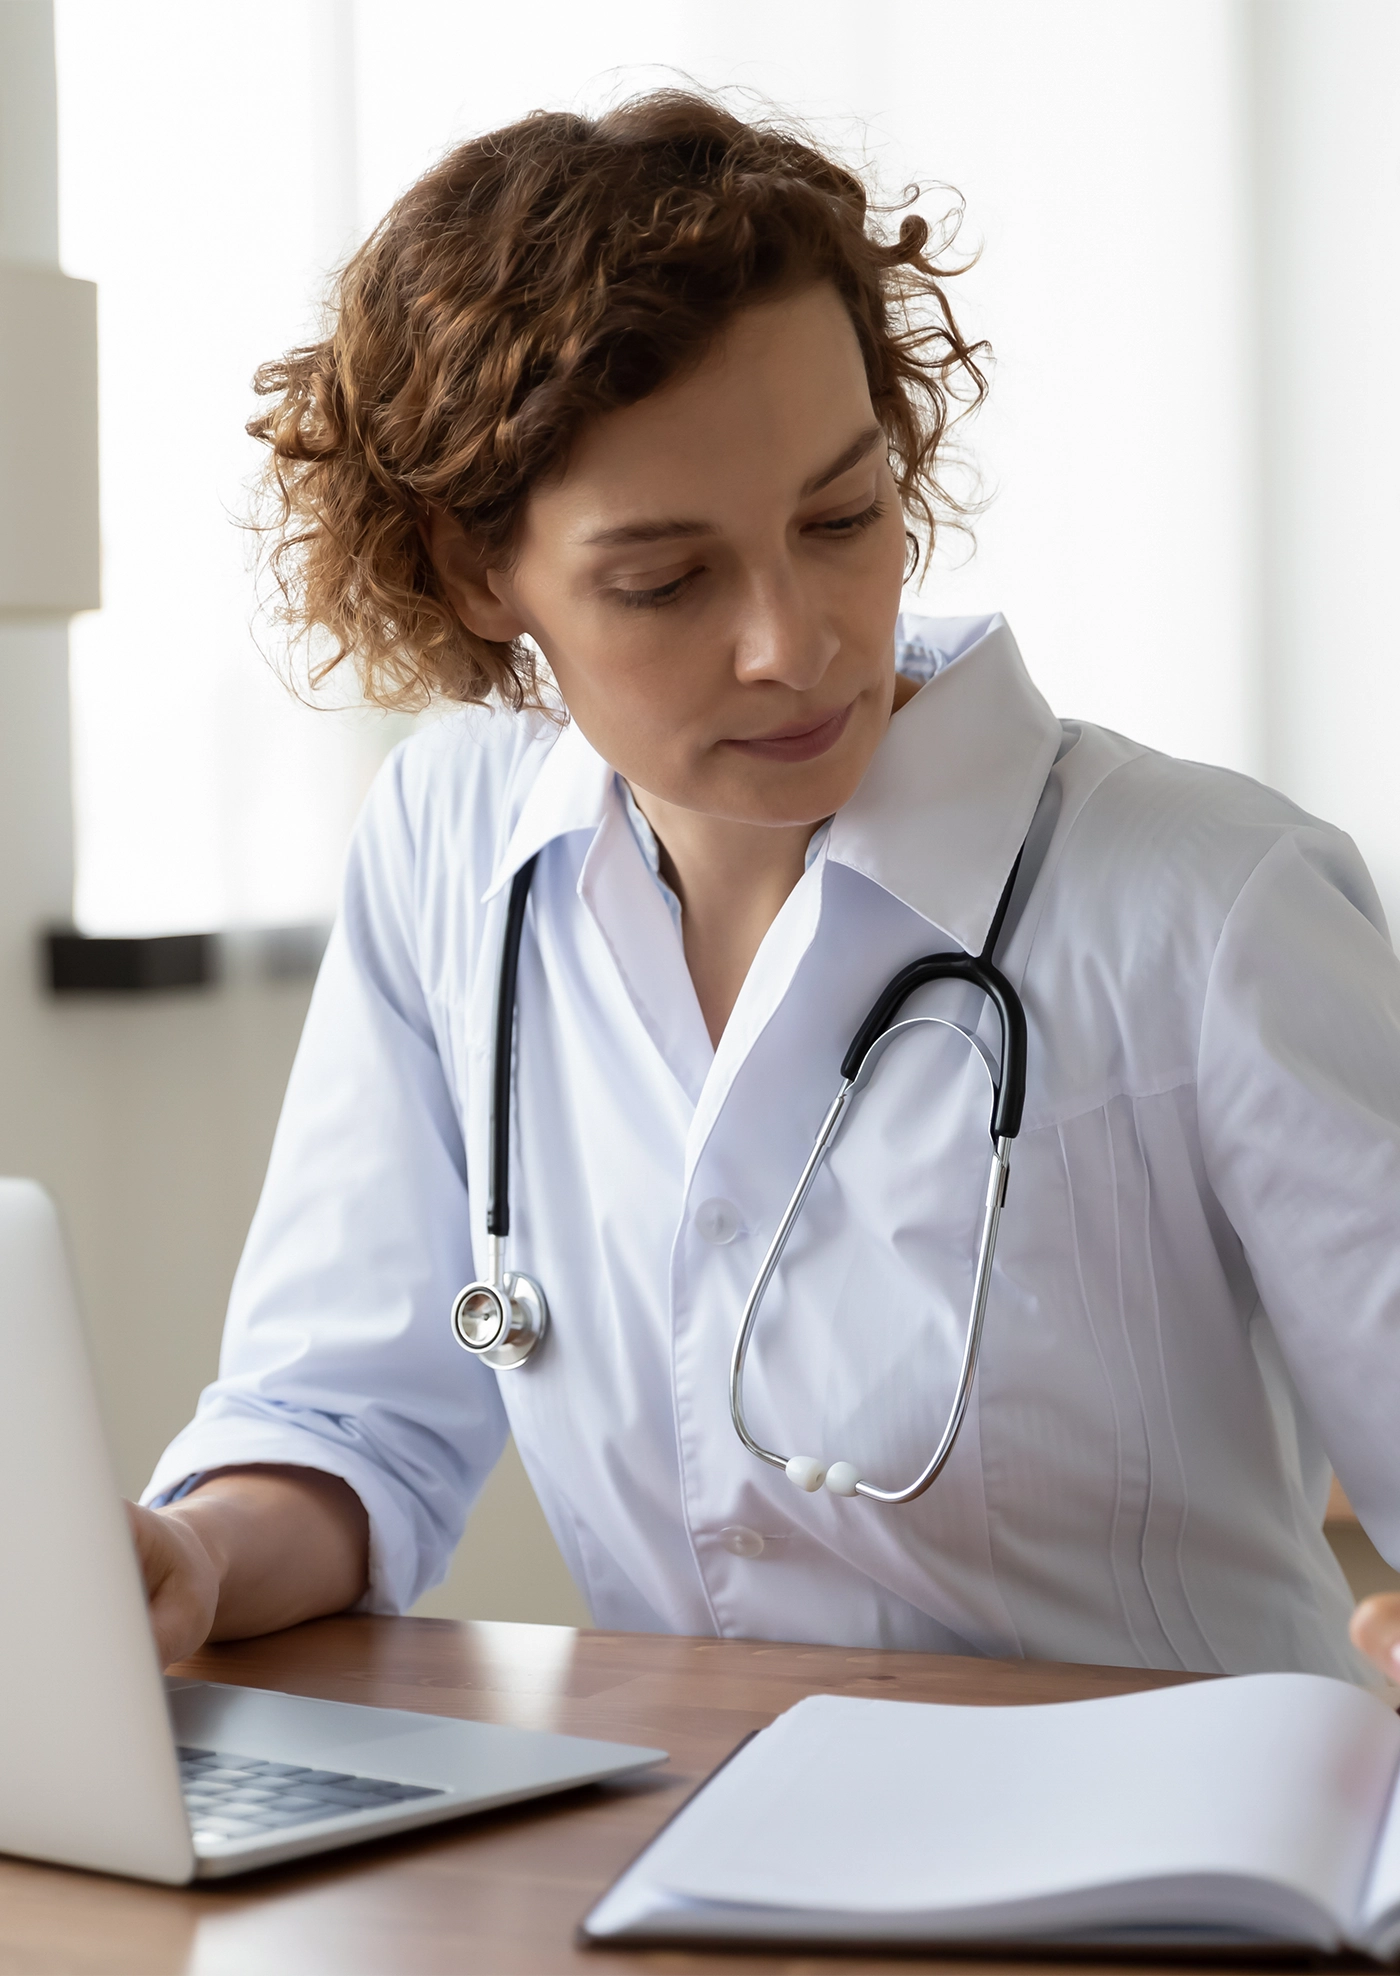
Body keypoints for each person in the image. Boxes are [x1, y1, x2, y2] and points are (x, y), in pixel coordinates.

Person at [127, 91, 1400, 1687]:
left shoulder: (1213, 908)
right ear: (474, 571)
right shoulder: (454, 845)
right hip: (678, 1861)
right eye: (665, 579)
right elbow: (342, 1418)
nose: (793, 645)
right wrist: (182, 1559)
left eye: (843, 516)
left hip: (1176, 1890)